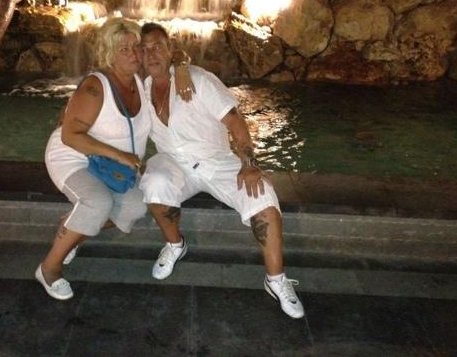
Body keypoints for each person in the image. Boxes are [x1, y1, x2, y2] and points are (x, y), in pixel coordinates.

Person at [138, 22, 305, 319]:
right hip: (173, 162)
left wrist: (249, 165)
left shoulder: (197, 79)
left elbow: (235, 121)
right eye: (145, 49)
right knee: (153, 181)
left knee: (263, 196)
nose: (152, 54)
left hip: (216, 160)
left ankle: (275, 279)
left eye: (158, 47)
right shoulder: (141, 90)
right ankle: (175, 245)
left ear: (170, 49)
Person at [36, 17, 151, 300]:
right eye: (123, 49)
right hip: (74, 156)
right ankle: (49, 269)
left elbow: (171, 60)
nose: (133, 54)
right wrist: (121, 155)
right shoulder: (95, 87)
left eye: (136, 47)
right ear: (109, 54)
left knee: (135, 206)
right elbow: (70, 136)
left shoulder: (140, 81)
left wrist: (182, 68)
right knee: (97, 203)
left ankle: (73, 229)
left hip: (113, 166)